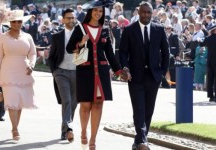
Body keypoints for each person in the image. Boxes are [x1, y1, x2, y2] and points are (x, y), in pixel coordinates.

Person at [66, 0, 122, 149]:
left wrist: (119, 71)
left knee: (98, 104)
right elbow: (69, 48)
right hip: (85, 72)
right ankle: (83, 131)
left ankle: (93, 139)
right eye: (96, 10)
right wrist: (80, 43)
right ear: (90, 12)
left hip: (101, 73)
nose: (98, 13)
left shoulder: (105, 29)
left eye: (101, 11)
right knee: (85, 105)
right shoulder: (80, 28)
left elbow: (109, 53)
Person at [119, 2, 169, 150]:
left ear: (152, 13)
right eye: (143, 12)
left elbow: (166, 53)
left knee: (148, 110)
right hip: (135, 77)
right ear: (138, 12)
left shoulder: (159, 29)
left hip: (154, 77)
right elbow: (122, 52)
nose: (146, 15)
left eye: (148, 12)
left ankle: (138, 141)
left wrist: (161, 72)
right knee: (139, 109)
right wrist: (125, 68)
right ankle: (143, 141)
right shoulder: (129, 30)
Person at [0, 10, 37, 141]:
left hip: (24, 72)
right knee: (12, 101)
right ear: (10, 23)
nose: (17, 23)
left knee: (19, 103)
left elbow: (33, 53)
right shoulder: (2, 37)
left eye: (19, 21)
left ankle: (15, 127)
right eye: (14, 21)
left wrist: (32, 65)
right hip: (7, 73)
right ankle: (14, 128)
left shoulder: (28, 36)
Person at [48, 8, 77, 142]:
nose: (71, 20)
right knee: (67, 100)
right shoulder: (57, 36)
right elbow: (51, 56)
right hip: (61, 73)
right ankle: (69, 129)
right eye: (69, 18)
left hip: (78, 73)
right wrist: (54, 72)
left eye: (73, 18)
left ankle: (64, 129)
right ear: (63, 20)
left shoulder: (81, 34)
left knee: (74, 103)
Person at [199, 24, 216, 102]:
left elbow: (201, 44)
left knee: (210, 79)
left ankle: (211, 96)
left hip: (210, 61)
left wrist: (199, 40)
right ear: (215, 30)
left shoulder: (208, 38)